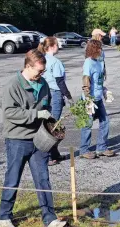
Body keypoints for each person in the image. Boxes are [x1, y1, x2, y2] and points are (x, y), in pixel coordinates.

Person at [0, 49, 67, 227]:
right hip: (17, 139)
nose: (41, 75)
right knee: (13, 178)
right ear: (28, 67)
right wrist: (35, 114)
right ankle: (4, 217)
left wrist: (50, 122)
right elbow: (9, 112)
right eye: (39, 71)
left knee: (43, 178)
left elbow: (47, 104)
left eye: (43, 71)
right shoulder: (13, 85)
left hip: (38, 139)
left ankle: (49, 219)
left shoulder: (43, 83)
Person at [37, 37, 74, 166]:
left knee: (47, 122)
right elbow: (60, 82)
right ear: (52, 46)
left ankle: (54, 154)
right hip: (55, 93)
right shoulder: (56, 62)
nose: (58, 47)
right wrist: (69, 97)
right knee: (53, 125)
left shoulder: (42, 59)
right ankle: (46, 156)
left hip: (44, 93)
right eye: (57, 45)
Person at [80, 39, 115, 159]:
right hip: (89, 99)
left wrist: (104, 91)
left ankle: (101, 147)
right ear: (94, 49)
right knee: (87, 124)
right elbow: (86, 81)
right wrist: (88, 99)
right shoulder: (88, 62)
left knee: (105, 122)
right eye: (99, 48)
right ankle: (84, 149)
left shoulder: (99, 62)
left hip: (98, 98)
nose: (101, 50)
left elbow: (98, 81)